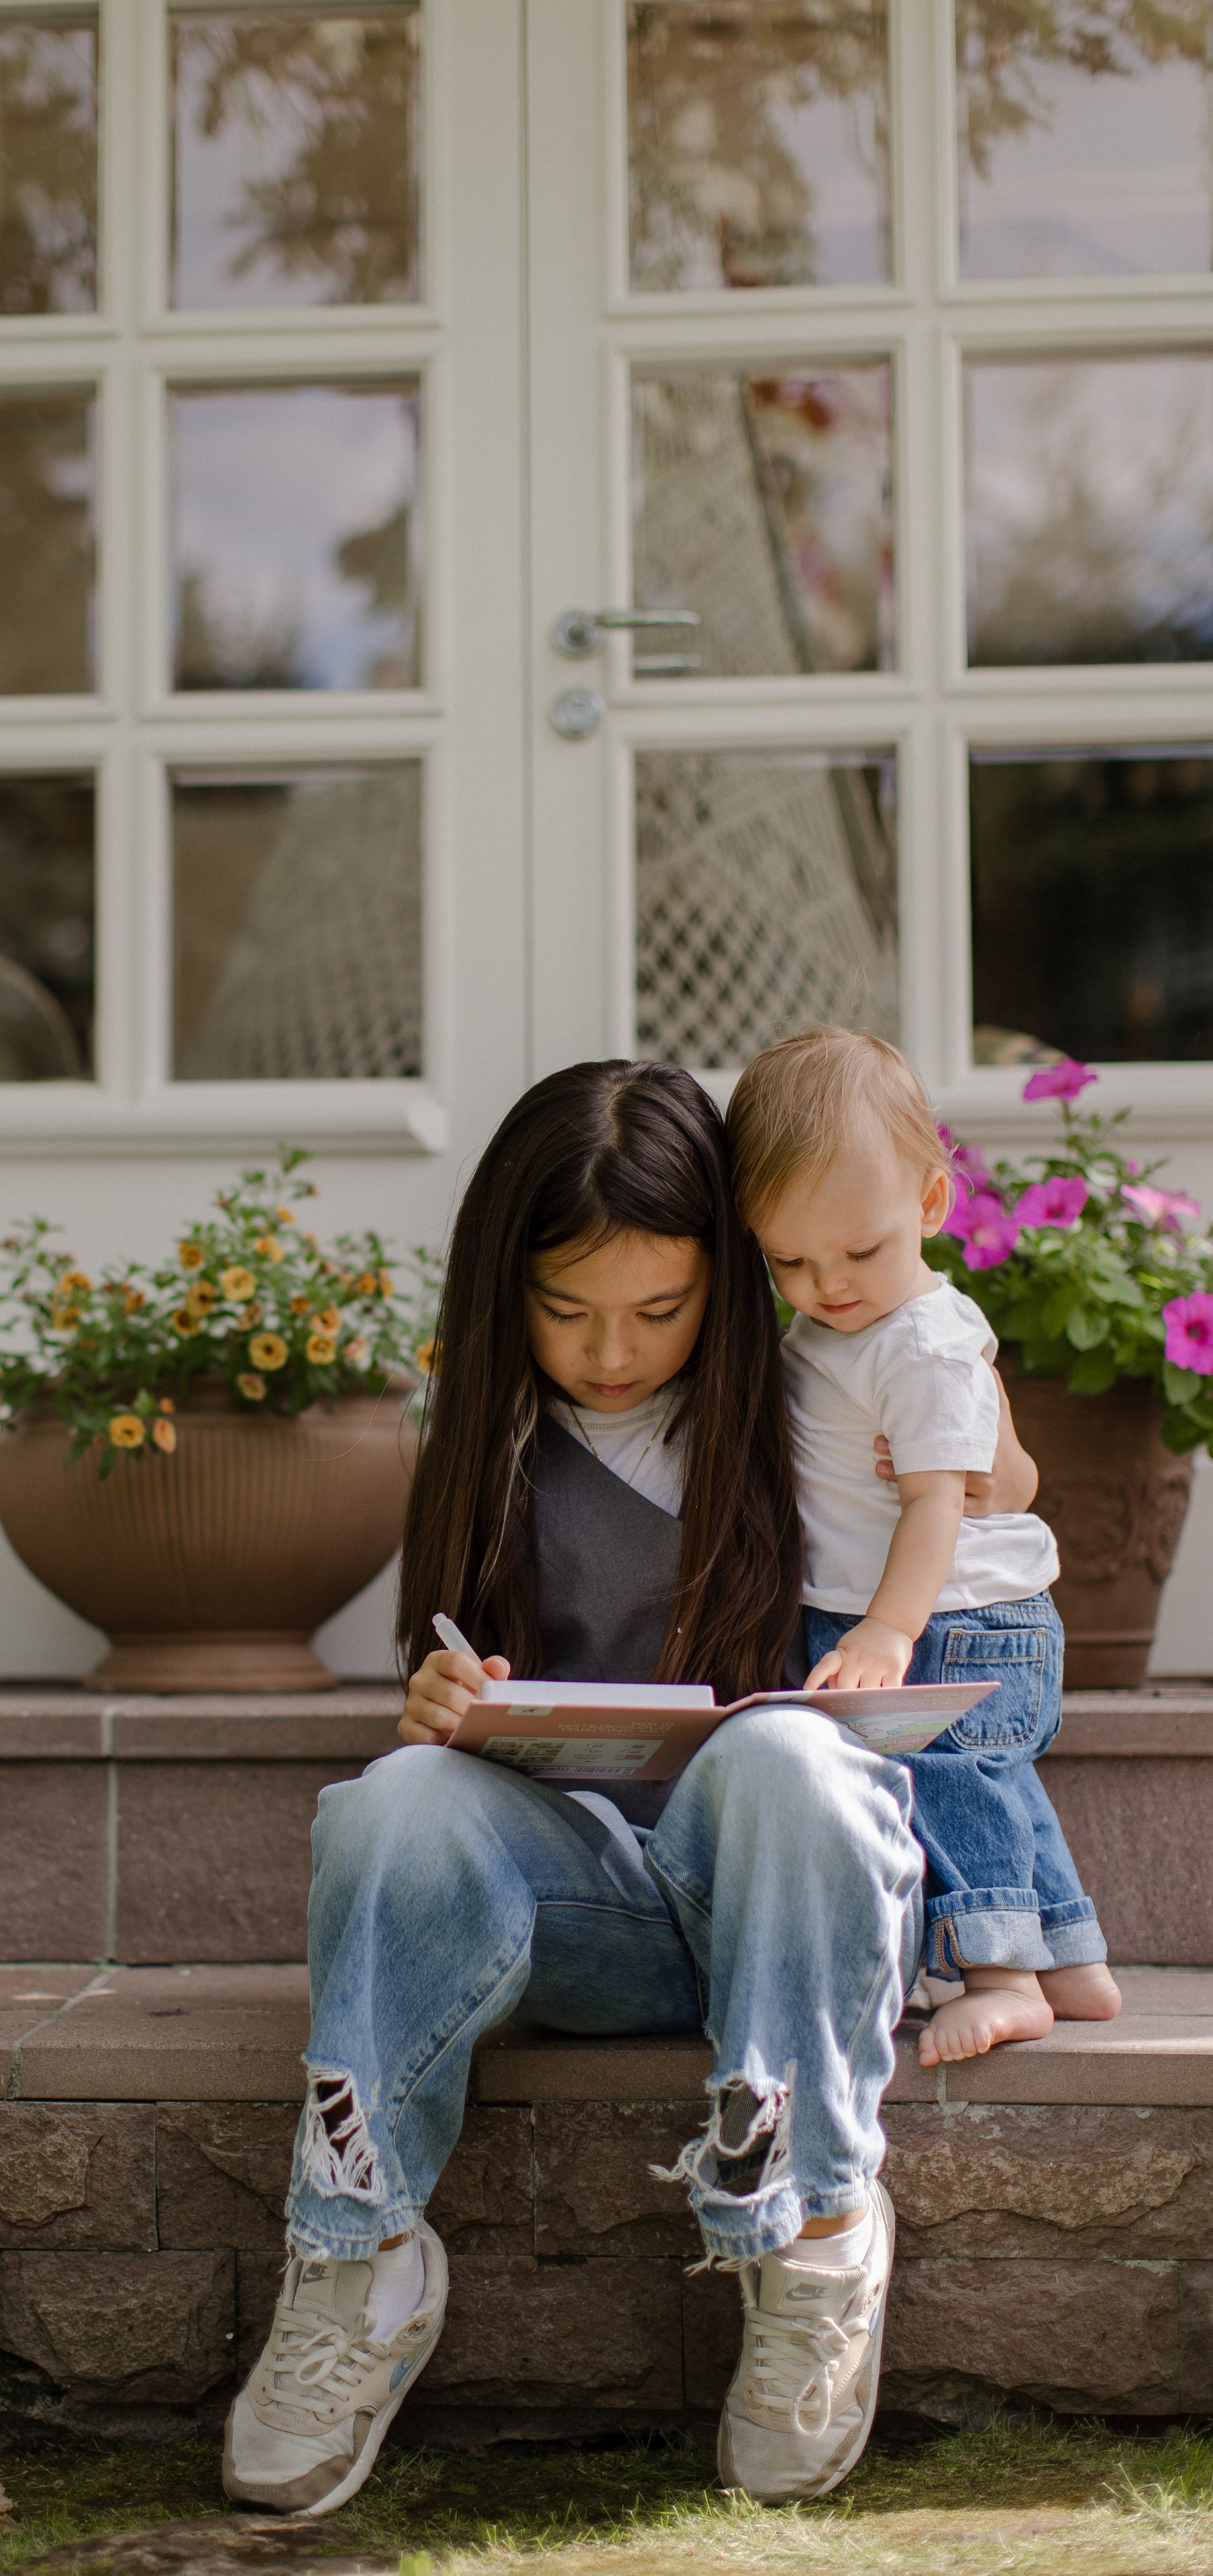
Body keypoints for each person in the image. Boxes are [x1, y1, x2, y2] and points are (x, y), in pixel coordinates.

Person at [221, 1059, 1039, 2518]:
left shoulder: (819, 1388)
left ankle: (815, 2228)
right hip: (594, 1913)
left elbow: (995, 1481)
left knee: (786, 1751)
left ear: (730, 1280)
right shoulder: (500, 1441)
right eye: (563, 1309)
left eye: (660, 1311)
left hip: (798, 1903)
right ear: (500, 1292)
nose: (611, 1351)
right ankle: (356, 2257)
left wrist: (960, 1426)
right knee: (392, 1797)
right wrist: (446, 1707)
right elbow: (471, 1695)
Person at [724, 1028, 1122, 2069]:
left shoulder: (922, 1340)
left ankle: (1003, 1980)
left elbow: (940, 1505)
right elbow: (1009, 1475)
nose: (830, 1282)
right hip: (937, 1614)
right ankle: (1072, 1957)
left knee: (946, 1776)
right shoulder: (837, 1328)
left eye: (860, 1251)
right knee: (994, 1779)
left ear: (932, 1206)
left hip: (955, 1618)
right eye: (792, 1261)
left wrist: (889, 1627)